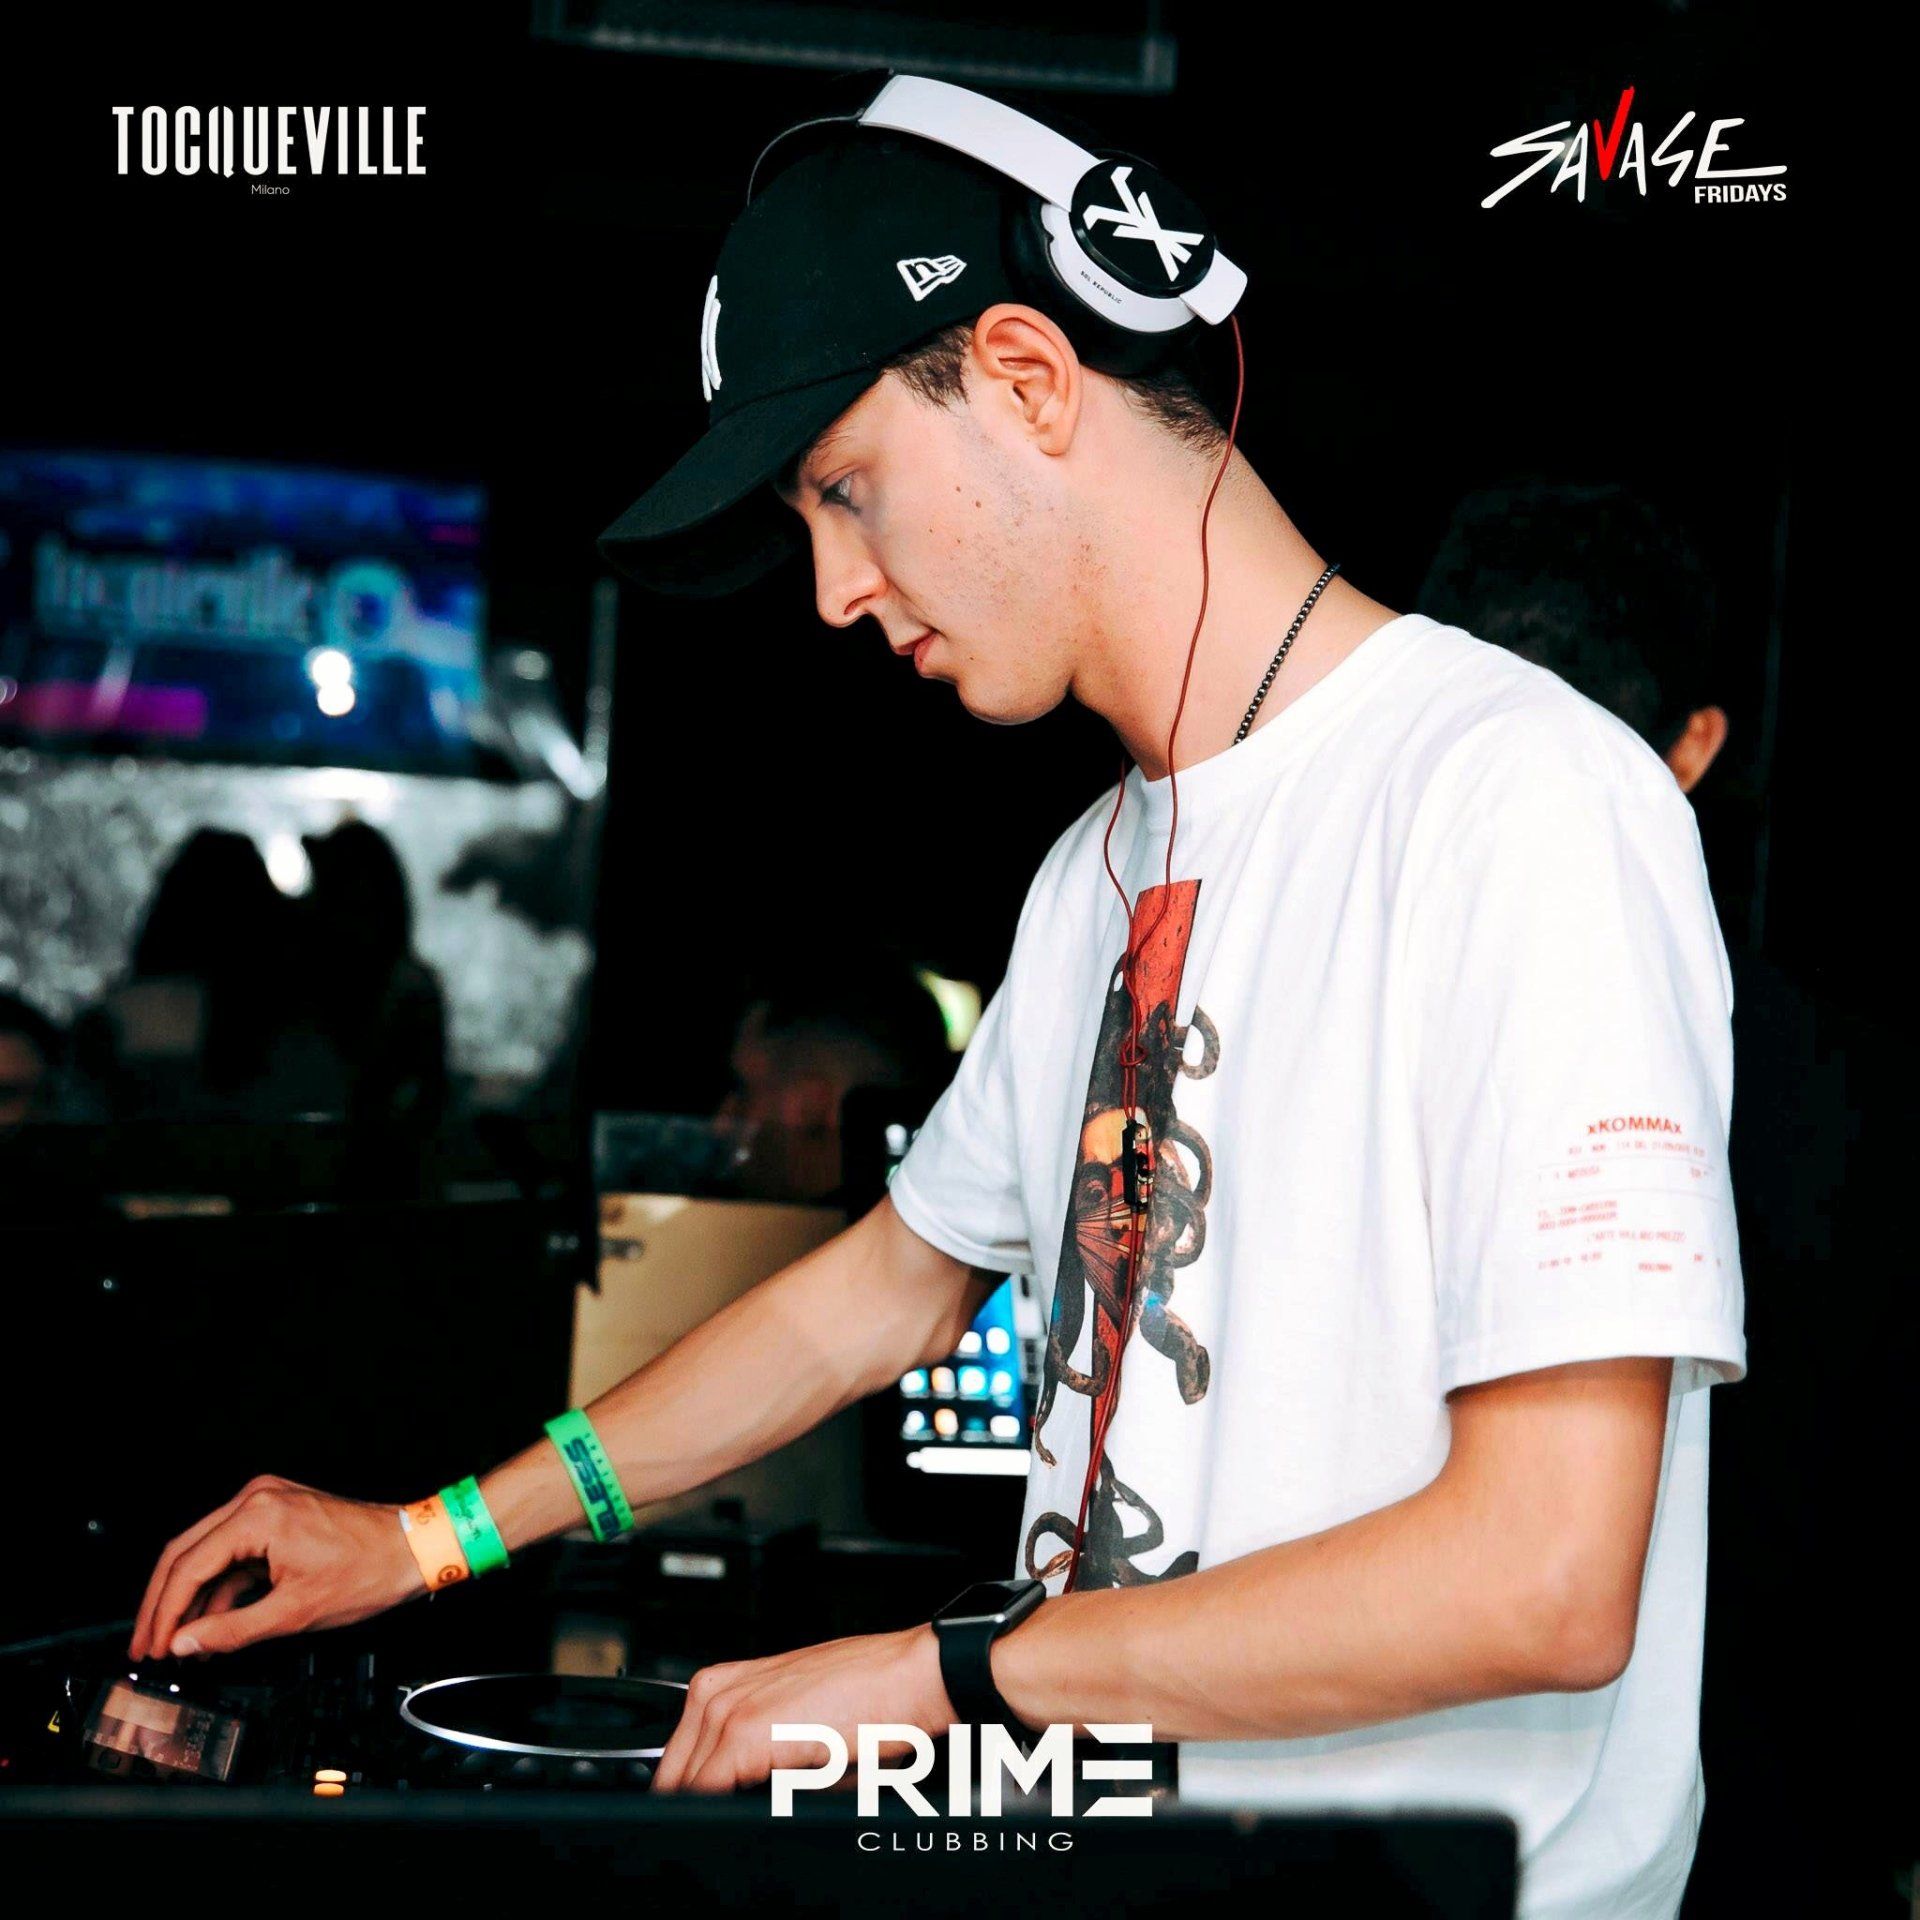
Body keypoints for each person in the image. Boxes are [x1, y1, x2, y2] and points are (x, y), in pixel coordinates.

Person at [128, 82, 1744, 1918]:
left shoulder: (1521, 797)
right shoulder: (1089, 878)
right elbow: (882, 1295)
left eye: (843, 485)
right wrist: (426, 1541)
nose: (833, 589)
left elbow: (1544, 1577)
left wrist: (945, 1677)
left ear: (1030, 376)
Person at [1421, 482, 1903, 1913]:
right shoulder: (1866, 1092)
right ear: (1694, 743)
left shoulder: (1331, 1028)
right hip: (1793, 1831)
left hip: (1440, 1833)